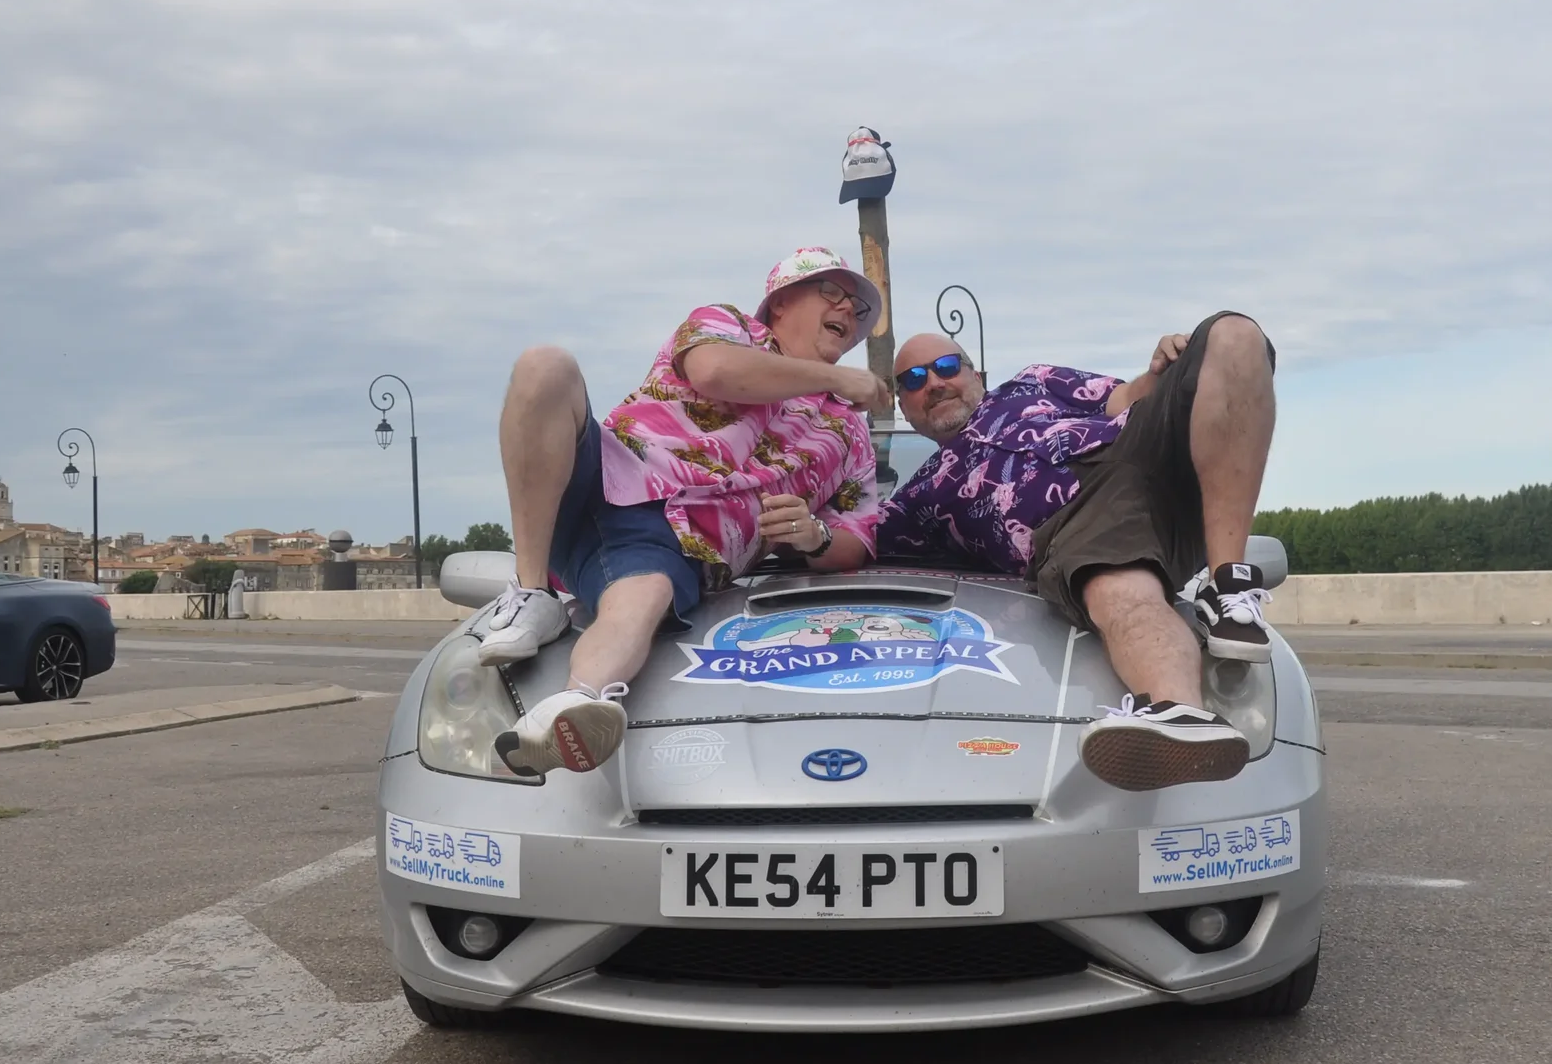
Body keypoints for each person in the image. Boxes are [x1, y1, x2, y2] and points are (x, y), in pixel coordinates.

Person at [474, 247, 888, 773]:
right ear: (781, 302)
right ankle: (532, 590)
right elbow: (715, 372)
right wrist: (834, 379)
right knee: (545, 366)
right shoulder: (727, 325)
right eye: (834, 293)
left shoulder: (850, 432)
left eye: (859, 310)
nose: (850, 312)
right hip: (608, 468)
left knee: (643, 598)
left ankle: (573, 705)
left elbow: (860, 536)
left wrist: (815, 538)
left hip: (678, 539)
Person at [873, 312, 1277, 791]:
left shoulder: (1032, 381)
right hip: (1081, 523)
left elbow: (1126, 397)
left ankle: (1229, 580)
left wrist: (1160, 369)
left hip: (1138, 445)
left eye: (946, 366)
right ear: (903, 403)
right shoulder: (920, 498)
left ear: (975, 374)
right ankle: (1182, 715)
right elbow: (845, 546)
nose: (934, 383)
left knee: (1233, 335)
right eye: (914, 380)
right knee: (1120, 591)